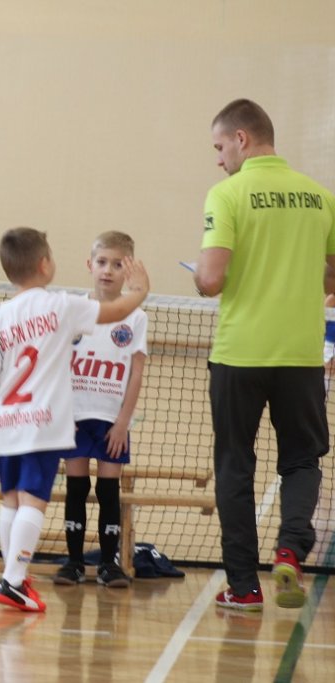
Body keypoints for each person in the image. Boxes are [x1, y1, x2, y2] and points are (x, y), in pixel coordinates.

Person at [193, 99, 335, 611]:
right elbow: (334, 275)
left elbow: (211, 279)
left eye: (219, 146)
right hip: (300, 355)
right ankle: (291, 549)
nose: (218, 159)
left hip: (241, 354)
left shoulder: (227, 194)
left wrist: (201, 278)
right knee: (302, 459)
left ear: (242, 139)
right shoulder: (321, 197)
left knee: (235, 465)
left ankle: (244, 587)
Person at [0, 227, 148, 612]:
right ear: (45, 264)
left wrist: (12, 403)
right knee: (33, 501)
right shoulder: (60, 306)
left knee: (11, 500)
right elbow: (117, 311)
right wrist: (141, 290)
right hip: (42, 421)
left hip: (6, 423)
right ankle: (13, 581)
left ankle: (12, 574)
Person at [54, 231, 147, 589]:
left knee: (109, 491)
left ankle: (109, 564)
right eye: (102, 262)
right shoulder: (73, 310)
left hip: (112, 421)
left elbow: (135, 373)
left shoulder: (135, 317)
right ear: (89, 265)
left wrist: (123, 423)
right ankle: (74, 563)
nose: (108, 270)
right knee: (76, 488)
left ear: (129, 270)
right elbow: (56, 363)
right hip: (75, 418)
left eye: (117, 264)